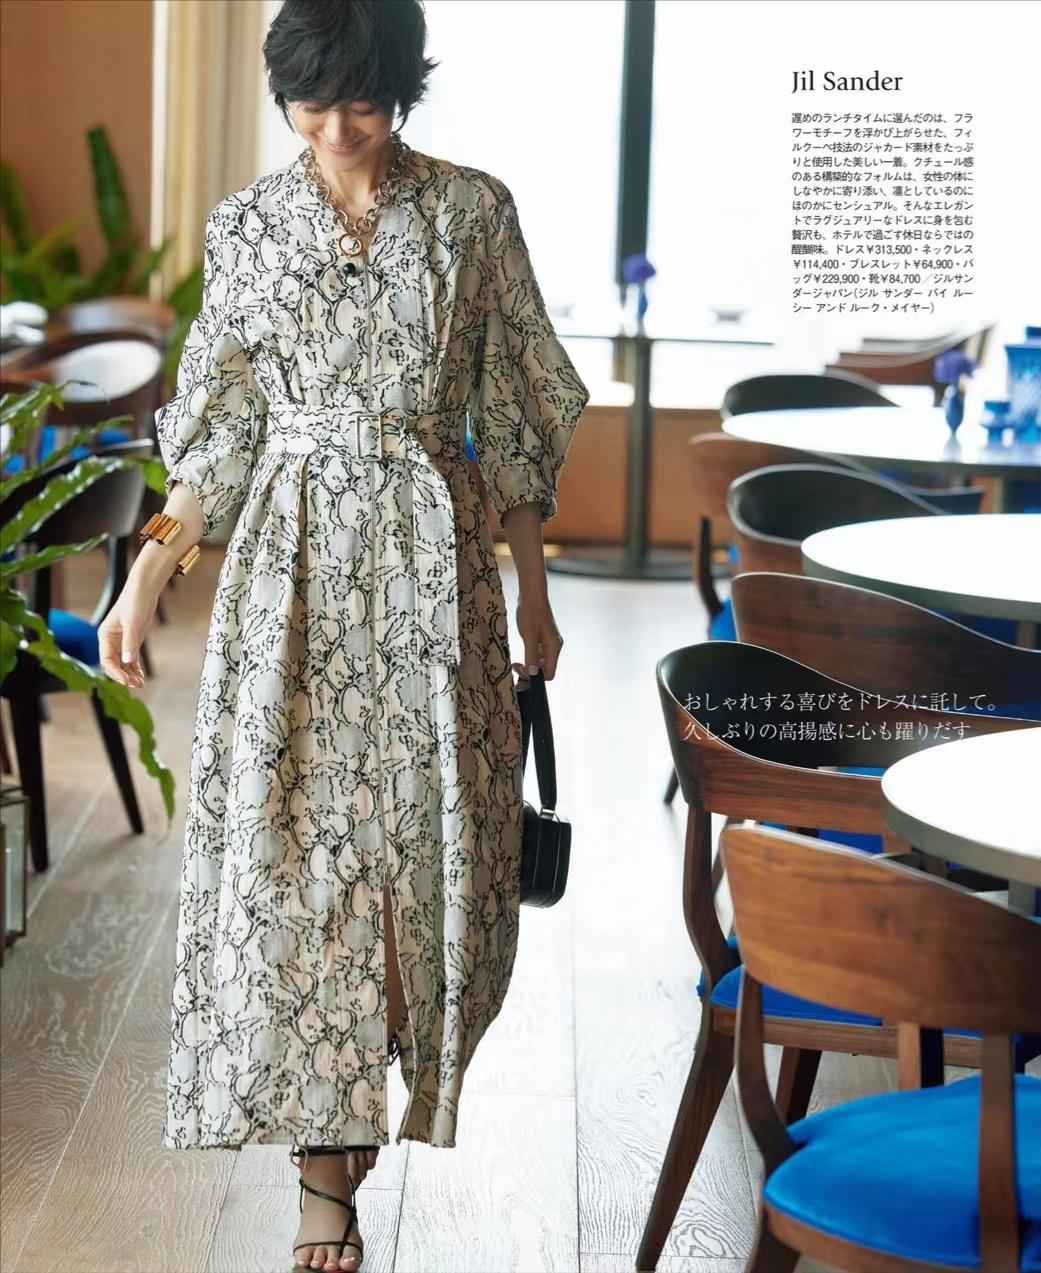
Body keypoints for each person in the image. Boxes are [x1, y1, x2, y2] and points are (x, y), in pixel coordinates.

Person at [96, 1, 589, 1269]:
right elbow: (219, 429)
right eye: (308, 104)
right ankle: (326, 1162)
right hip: (292, 577)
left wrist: (534, 593)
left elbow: (511, 416)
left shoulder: (473, 213)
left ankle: (377, 1081)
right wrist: (146, 578)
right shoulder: (249, 228)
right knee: (298, 861)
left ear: (403, 88)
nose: (332, 128)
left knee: (426, 849)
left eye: (359, 101)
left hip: (435, 573)